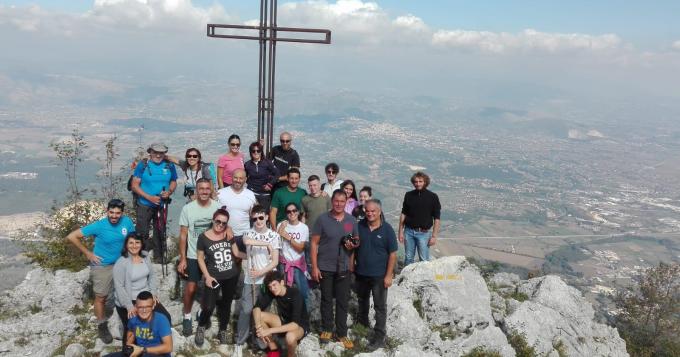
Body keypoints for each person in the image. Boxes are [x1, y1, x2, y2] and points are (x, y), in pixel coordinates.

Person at [66, 198, 135, 344]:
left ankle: (130, 322)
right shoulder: (100, 225)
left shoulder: (127, 222)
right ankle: (102, 325)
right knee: (101, 297)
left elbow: (132, 239)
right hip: (102, 265)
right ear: (107, 211)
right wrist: (88, 253)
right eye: (111, 212)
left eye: (117, 213)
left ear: (122, 213)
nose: (114, 216)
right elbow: (72, 236)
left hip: (122, 263)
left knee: (128, 293)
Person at [310, 190, 359, 349]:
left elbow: (356, 240)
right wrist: (315, 267)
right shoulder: (322, 219)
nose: (339, 204)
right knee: (326, 299)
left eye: (342, 201)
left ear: (346, 202)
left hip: (344, 267)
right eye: (336, 201)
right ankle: (327, 329)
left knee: (342, 301)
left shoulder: (351, 220)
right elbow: (314, 243)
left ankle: (342, 333)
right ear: (332, 201)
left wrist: (353, 244)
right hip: (325, 266)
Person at [232, 205, 281, 357]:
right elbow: (247, 242)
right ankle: (239, 342)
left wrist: (260, 272)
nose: (258, 221)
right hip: (250, 279)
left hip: (267, 280)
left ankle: (261, 341)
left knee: (261, 313)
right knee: (246, 310)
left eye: (261, 217)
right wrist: (266, 244)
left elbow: (275, 262)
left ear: (267, 217)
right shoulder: (248, 232)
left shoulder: (274, 236)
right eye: (255, 218)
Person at [177, 178, 221, 336]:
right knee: (191, 287)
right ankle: (187, 316)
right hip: (193, 255)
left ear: (211, 190)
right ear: (196, 190)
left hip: (211, 255)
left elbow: (222, 230)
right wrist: (182, 259)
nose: (204, 191)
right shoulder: (188, 209)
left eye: (207, 189)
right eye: (201, 189)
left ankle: (205, 314)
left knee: (211, 287)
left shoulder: (217, 208)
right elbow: (183, 235)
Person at [352, 199, 397, 350]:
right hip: (361, 273)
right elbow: (353, 247)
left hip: (379, 275)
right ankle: (363, 326)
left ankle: (379, 337)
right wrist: (352, 264)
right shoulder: (359, 226)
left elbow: (392, 254)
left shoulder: (387, 229)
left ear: (379, 212)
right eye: (367, 211)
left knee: (380, 306)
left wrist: (389, 275)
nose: (370, 213)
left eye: (373, 211)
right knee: (362, 301)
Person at [113, 233, 172, 348]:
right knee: (132, 326)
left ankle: (154, 345)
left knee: (165, 317)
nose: (134, 245)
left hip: (145, 297)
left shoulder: (145, 256)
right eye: (131, 243)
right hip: (128, 300)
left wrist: (153, 294)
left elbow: (151, 277)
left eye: (137, 242)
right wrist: (129, 306)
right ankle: (128, 351)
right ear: (126, 245)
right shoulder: (121, 263)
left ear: (141, 244)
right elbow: (119, 287)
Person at [194, 208, 241, 346]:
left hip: (231, 275)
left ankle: (223, 330)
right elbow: (200, 258)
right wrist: (207, 277)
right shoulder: (203, 237)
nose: (220, 225)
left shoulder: (228, 234)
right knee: (208, 306)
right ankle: (201, 326)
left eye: (224, 223)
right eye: (218, 221)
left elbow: (237, 253)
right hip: (213, 276)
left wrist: (251, 256)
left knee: (226, 304)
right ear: (213, 220)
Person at [130, 143, 177, 262]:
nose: (158, 155)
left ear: (164, 154)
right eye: (155, 152)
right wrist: (149, 197)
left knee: (160, 231)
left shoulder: (169, 165)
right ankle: (140, 257)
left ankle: (159, 257)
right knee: (142, 232)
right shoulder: (143, 165)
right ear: (150, 152)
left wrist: (169, 192)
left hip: (162, 205)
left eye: (161, 152)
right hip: (144, 204)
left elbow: (173, 181)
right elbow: (134, 186)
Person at [253, 271, 309, 357]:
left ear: (282, 282)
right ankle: (274, 349)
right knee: (259, 315)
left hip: (299, 326)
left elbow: (295, 325)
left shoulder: (295, 294)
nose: (272, 288)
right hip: (284, 322)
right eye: (270, 286)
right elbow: (256, 308)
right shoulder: (273, 292)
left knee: (290, 337)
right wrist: (258, 327)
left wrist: (269, 331)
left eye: (274, 285)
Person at [398, 171, 441, 266]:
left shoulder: (433, 197)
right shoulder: (408, 195)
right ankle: (407, 279)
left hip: (424, 233)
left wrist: (434, 236)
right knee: (408, 258)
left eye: (420, 181)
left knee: (424, 259)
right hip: (408, 231)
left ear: (425, 182)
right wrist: (400, 231)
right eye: (416, 182)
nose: (418, 184)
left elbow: (437, 218)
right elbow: (403, 213)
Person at [276, 202, 310, 308]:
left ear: (298, 212)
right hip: (284, 263)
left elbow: (300, 248)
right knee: (284, 292)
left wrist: (287, 236)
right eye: (289, 211)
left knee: (303, 292)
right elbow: (277, 244)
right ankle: (287, 316)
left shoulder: (304, 228)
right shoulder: (280, 225)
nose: (292, 213)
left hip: (298, 263)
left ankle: (304, 318)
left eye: (294, 210)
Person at [125, 291, 173, 357]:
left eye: (147, 307)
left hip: (159, 355)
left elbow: (168, 347)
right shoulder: (133, 319)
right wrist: (129, 345)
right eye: (140, 307)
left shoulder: (161, 320)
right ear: (136, 307)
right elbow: (129, 338)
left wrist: (142, 349)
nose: (144, 310)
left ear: (153, 306)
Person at [301, 175, 331, 270]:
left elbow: (331, 214)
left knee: (323, 257)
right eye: (310, 185)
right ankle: (311, 281)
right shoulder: (305, 199)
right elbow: (303, 217)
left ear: (319, 185)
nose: (312, 188)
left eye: (315, 185)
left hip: (324, 233)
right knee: (310, 259)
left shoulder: (326, 197)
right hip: (310, 233)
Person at [217, 168, 257, 240]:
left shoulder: (250, 195)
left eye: (241, 178)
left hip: (245, 235)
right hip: (224, 234)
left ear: (245, 179)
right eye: (235, 177)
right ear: (231, 177)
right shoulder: (220, 193)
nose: (238, 180)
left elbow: (255, 215)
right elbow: (215, 215)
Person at [244, 141, 279, 212]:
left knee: (263, 216)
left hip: (264, 195)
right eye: (253, 151)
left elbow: (277, 174)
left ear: (261, 151)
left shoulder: (267, 162)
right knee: (251, 215)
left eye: (258, 150)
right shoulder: (247, 164)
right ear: (250, 152)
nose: (256, 152)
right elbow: (245, 177)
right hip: (252, 194)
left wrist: (270, 184)